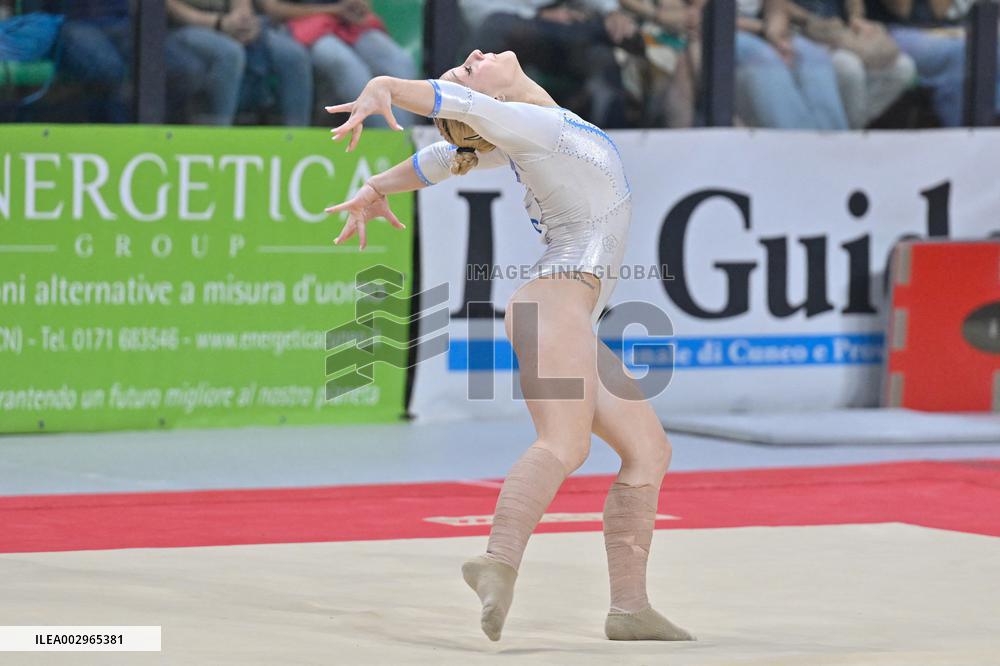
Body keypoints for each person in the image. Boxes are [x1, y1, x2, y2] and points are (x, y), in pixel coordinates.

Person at [323, 49, 695, 642]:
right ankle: (498, 561)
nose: (472, 56)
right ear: (489, 101)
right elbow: (457, 116)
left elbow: (446, 159)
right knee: (563, 443)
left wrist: (376, 186)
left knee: (649, 450)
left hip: (566, 312)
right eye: (467, 70)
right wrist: (386, 85)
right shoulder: (532, 124)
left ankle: (630, 607)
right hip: (555, 307)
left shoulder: (525, 132)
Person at [460, 0, 644, 128]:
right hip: (510, 33)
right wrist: (538, 16)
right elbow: (475, 10)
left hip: (562, 36)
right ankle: (596, 32)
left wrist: (611, 12)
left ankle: (611, 150)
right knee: (499, 25)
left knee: (602, 58)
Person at [259, 0, 418, 128]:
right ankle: (393, 142)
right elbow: (273, 9)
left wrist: (357, 6)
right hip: (301, 26)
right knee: (348, 68)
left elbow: (364, 6)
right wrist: (332, 10)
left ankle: (407, 138)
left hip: (348, 24)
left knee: (400, 63)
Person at [166, 0, 312, 125]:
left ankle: (297, 142)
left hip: (229, 22)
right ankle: (218, 137)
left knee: (294, 55)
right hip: (182, 26)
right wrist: (218, 23)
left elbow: (242, 6)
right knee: (229, 53)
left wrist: (244, 21)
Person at [865, 0, 1000, 127]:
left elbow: (939, 11)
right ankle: (963, 133)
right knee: (961, 53)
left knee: (992, 49)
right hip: (890, 32)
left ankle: (989, 132)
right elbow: (902, 9)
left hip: (935, 30)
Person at [786, 0, 915, 129]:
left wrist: (856, 18)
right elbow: (775, 7)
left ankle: (850, 130)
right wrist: (811, 20)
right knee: (849, 67)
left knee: (903, 67)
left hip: (842, 32)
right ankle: (850, 135)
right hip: (801, 33)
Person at [735, 0, 849, 129]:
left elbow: (776, 6)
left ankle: (833, 140)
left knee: (813, 55)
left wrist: (775, 37)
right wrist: (763, 29)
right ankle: (795, 140)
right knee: (765, 57)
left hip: (762, 30)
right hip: (724, 32)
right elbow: (716, 18)